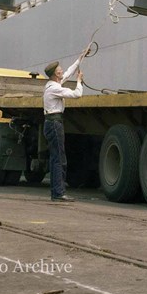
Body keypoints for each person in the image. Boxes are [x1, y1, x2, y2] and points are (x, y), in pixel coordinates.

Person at [43, 54, 86, 202]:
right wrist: (79, 81)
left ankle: (56, 192)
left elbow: (68, 72)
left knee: (56, 158)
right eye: (60, 69)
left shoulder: (52, 85)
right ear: (56, 73)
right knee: (59, 159)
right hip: (55, 124)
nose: (62, 70)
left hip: (51, 123)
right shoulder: (55, 88)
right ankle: (58, 193)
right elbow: (77, 94)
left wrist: (80, 58)